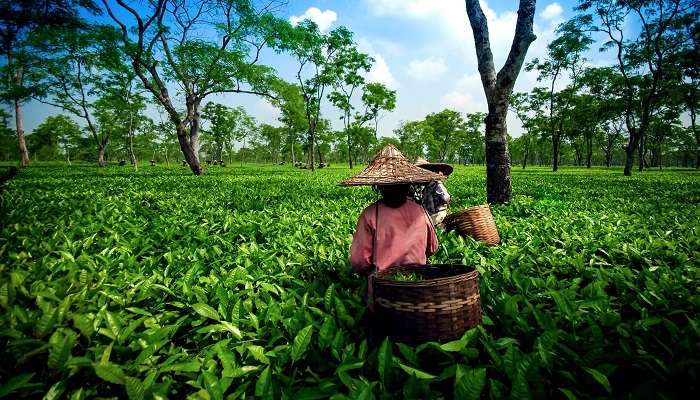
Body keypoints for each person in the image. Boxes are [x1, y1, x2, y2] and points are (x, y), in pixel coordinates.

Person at [340, 145, 446, 308]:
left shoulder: (369, 214)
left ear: (379, 186)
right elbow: (432, 247)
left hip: (383, 290)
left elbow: (359, 261)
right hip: (417, 285)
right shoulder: (420, 210)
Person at [415, 158, 453, 227]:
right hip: (430, 217)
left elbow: (446, 197)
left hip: (438, 217)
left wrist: (442, 200)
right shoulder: (426, 188)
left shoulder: (436, 183)